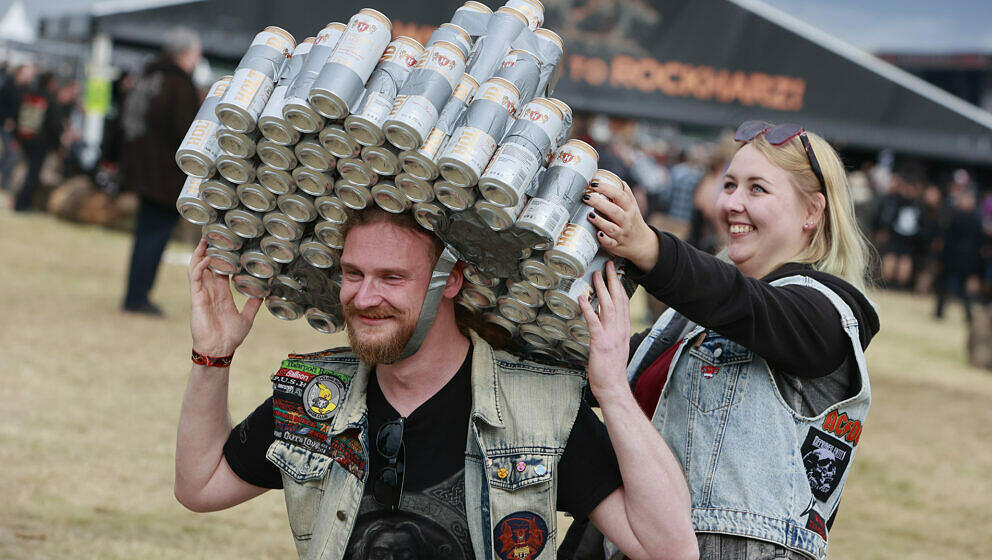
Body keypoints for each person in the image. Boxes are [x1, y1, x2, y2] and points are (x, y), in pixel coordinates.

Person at [174, 207, 699, 560]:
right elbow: (199, 487)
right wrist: (211, 358)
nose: (362, 297)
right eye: (353, 274)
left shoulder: (537, 407)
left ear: (451, 281)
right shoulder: (317, 395)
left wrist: (611, 390)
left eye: (392, 278)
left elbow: (671, 548)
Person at [577, 121, 878, 559]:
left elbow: (746, 305)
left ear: (812, 212)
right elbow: (590, 378)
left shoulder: (826, 314)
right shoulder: (682, 325)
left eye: (758, 189)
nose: (733, 203)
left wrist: (649, 247)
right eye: (730, 184)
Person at [119, 27, 201, 315]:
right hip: (164, 176)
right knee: (154, 237)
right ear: (186, 54)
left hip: (143, 170)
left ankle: (134, 293)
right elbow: (187, 134)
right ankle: (137, 297)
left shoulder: (149, 77)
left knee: (144, 234)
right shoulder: (179, 86)